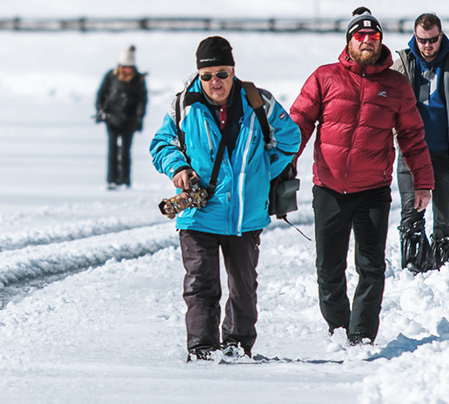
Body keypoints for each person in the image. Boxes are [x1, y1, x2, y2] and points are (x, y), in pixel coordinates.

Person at [289, 9, 434, 346]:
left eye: (373, 36)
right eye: (360, 36)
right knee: (328, 268)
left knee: (371, 267)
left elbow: (412, 137)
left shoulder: (395, 85)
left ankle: (362, 335)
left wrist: (423, 182)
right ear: (349, 42)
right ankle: (339, 327)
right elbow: (299, 123)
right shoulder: (325, 77)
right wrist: (282, 164)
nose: (367, 41)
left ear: (381, 42)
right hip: (329, 189)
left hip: (373, 191)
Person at [150, 36, 301, 360]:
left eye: (221, 74)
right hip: (198, 214)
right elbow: (162, 144)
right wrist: (178, 168)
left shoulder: (259, 101)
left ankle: (237, 345)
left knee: (243, 288)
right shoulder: (183, 105)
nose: (214, 82)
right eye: (206, 76)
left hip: (244, 214)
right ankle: (202, 348)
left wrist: (261, 172)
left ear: (233, 71)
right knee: (200, 285)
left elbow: (290, 139)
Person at [392, 12, 449, 272]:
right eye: (422, 40)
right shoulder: (403, 64)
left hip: (447, 154)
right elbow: (385, 102)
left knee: (444, 219)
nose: (428, 45)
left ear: (441, 36)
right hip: (411, 154)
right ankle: (413, 269)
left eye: (432, 40)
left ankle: (445, 270)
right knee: (411, 215)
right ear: (415, 36)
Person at [94, 46, 148, 189]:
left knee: (125, 151)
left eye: (129, 67)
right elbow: (101, 94)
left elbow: (142, 101)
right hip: (112, 119)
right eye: (124, 67)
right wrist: (100, 110)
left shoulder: (138, 79)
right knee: (112, 150)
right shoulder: (111, 76)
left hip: (129, 121)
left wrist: (139, 118)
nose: (126, 70)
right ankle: (111, 179)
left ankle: (125, 180)